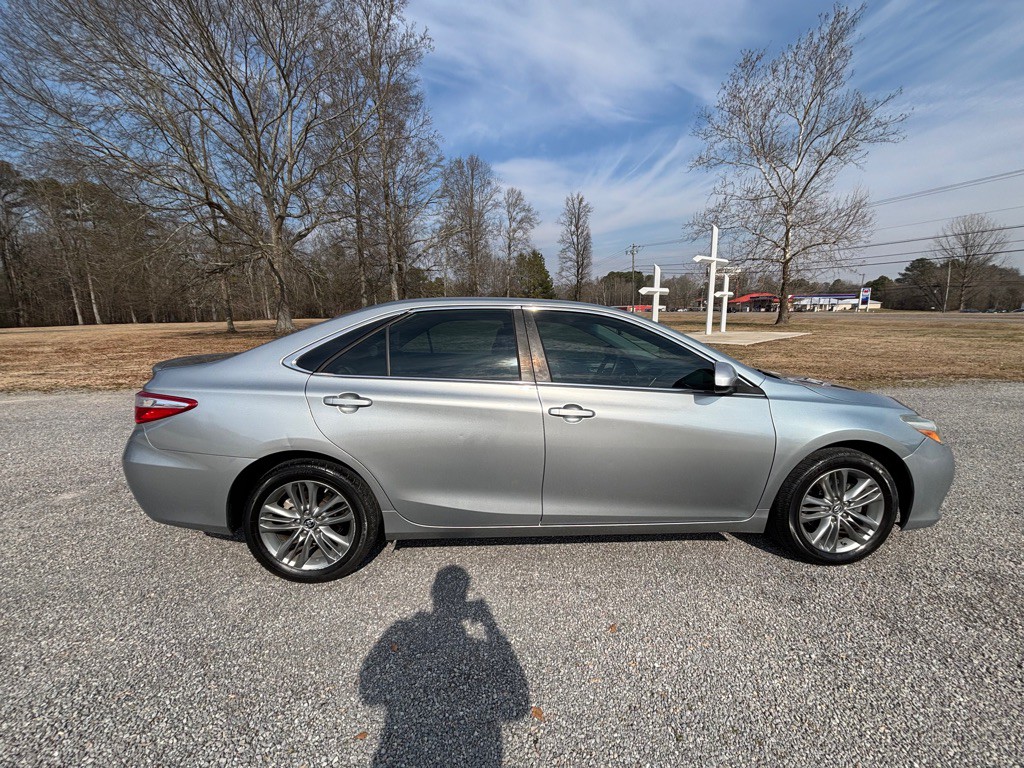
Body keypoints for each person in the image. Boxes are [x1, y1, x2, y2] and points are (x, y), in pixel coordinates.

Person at [359, 565, 530, 767]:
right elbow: (517, 707)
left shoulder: (403, 628)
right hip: (480, 755)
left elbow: (370, 692)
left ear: (433, 592)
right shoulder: (406, 628)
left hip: (401, 751)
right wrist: (489, 624)